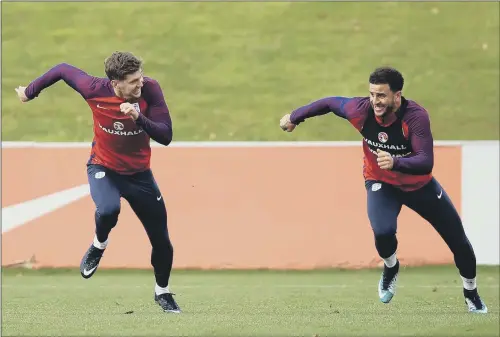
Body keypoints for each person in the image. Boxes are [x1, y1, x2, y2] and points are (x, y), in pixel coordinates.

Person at [279, 66, 488, 314]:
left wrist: (396, 161)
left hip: (419, 185)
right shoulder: (361, 110)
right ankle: (391, 266)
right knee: (383, 231)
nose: (375, 102)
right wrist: (295, 116)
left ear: (397, 96)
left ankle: (471, 292)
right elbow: (328, 103)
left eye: (381, 96)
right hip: (381, 183)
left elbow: (425, 160)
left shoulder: (415, 117)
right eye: (372, 94)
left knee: (458, 240)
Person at [15, 51, 181, 314]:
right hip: (103, 167)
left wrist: (139, 117)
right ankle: (99, 244)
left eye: (140, 78)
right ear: (115, 83)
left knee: (162, 241)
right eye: (133, 81)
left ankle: (162, 292)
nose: (140, 83)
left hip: (140, 175)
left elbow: (166, 135)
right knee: (108, 210)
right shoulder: (93, 88)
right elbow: (62, 69)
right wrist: (29, 92)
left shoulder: (150, 89)